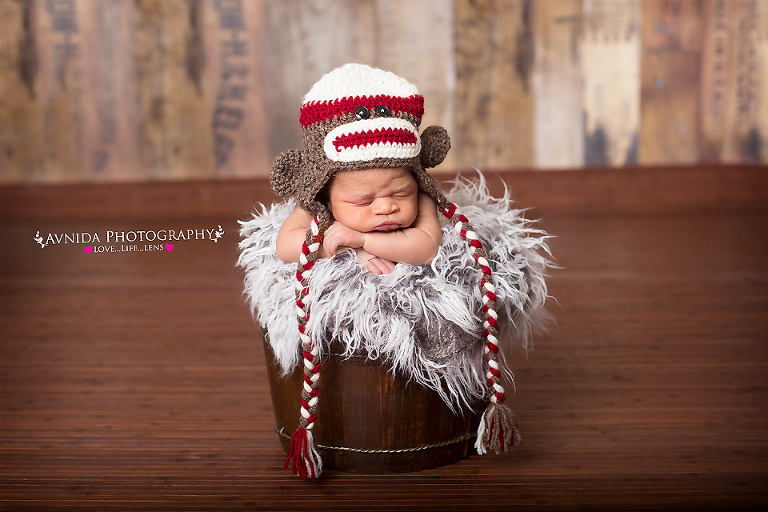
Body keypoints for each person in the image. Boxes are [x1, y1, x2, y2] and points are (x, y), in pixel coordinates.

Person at [275, 166, 442, 274]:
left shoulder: (421, 197)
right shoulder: (316, 201)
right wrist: (348, 247)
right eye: (364, 202)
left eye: (400, 195)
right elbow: (285, 245)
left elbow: (428, 248)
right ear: (326, 199)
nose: (386, 208)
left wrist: (363, 240)